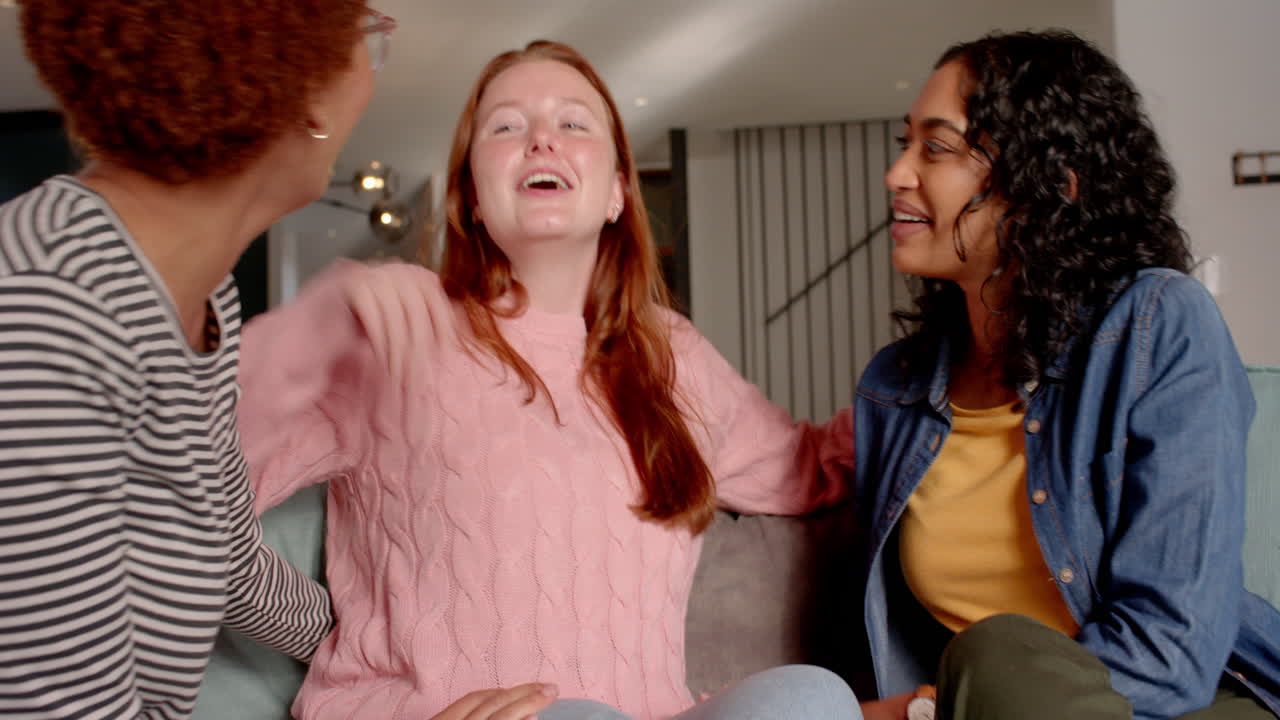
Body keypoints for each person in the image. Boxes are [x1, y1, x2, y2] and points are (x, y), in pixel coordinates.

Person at [235, 40, 861, 720]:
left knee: (810, 697)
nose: (541, 142)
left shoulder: (672, 353)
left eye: (573, 123)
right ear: (472, 195)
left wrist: (958, 369)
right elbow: (182, 469)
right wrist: (317, 320)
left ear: (620, 190)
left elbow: (811, 468)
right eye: (506, 126)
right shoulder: (393, 327)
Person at [0, 3, 554, 720]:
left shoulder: (201, 300)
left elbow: (232, 562)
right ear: (307, 94)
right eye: (367, 35)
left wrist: (389, 659)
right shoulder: (50, 313)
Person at [850, 29, 1280, 720]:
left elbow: (1172, 653)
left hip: (1188, 705)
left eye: (935, 147)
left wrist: (934, 707)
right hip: (982, 706)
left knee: (994, 656)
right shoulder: (893, 388)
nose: (897, 173)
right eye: (905, 143)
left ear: (1050, 186)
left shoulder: (1160, 325)